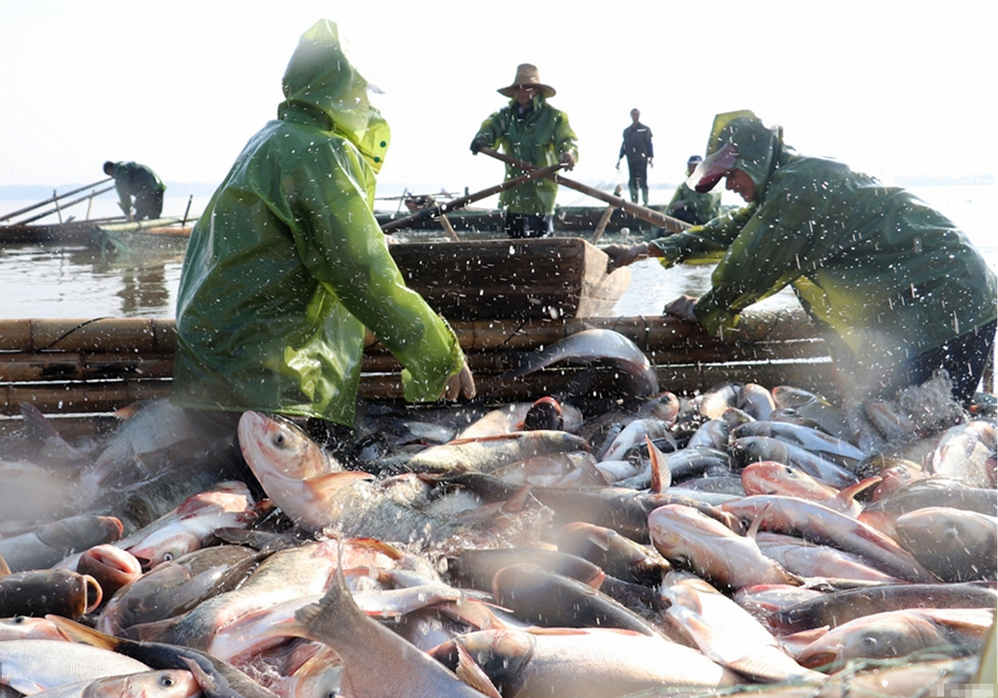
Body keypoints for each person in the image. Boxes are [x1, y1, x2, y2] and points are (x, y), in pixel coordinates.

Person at [171, 20, 475, 488]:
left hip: (211, 379)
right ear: (343, 91)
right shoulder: (319, 151)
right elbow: (360, 269)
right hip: (266, 390)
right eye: (363, 93)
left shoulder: (269, 139)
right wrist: (438, 353)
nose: (369, 106)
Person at [603, 110, 997, 418]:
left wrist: (705, 308)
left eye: (731, 175)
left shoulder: (798, 188)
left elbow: (751, 269)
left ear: (754, 159)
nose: (728, 187)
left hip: (947, 296)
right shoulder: (787, 185)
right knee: (904, 415)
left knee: (925, 421)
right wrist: (647, 250)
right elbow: (731, 232)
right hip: (944, 296)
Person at [470, 64, 579, 238]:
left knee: (542, 243)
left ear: (536, 90)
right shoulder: (506, 116)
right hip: (515, 188)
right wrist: (481, 139)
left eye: (527, 87)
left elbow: (567, 140)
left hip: (541, 189)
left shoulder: (553, 117)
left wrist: (568, 154)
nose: (522, 92)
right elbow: (491, 128)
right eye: (518, 88)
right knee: (514, 244)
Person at [667, 154, 722, 225]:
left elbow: (706, 204)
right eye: (691, 166)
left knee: (680, 214)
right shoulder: (685, 186)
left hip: (707, 221)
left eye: (696, 166)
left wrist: (685, 203)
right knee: (676, 214)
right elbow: (674, 204)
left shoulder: (711, 182)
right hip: (689, 217)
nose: (693, 169)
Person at [616, 108, 653, 205]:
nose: (635, 116)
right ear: (631, 116)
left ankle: (645, 202)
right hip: (631, 158)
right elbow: (624, 145)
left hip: (641, 158)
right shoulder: (627, 131)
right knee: (632, 181)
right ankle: (634, 202)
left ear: (639, 115)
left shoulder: (645, 129)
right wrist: (620, 158)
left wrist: (651, 157)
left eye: (636, 114)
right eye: (633, 114)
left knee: (642, 180)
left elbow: (649, 143)